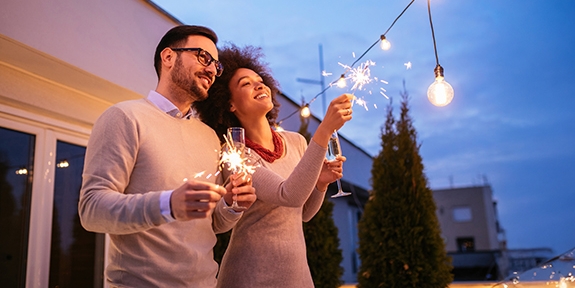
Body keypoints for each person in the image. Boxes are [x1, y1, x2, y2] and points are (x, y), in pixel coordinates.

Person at [78, 25, 257, 288]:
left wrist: (230, 205)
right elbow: (92, 209)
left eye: (215, 66)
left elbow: (212, 224)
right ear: (169, 57)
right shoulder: (125, 117)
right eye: (202, 57)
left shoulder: (209, 136)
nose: (211, 70)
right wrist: (168, 204)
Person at [194, 44, 354, 287]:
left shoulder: (296, 141)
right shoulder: (234, 153)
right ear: (229, 104)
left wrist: (321, 183)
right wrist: (324, 129)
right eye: (245, 84)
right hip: (250, 275)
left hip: (297, 276)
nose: (259, 85)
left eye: (259, 80)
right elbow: (287, 194)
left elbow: (303, 213)